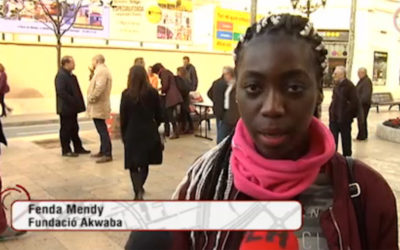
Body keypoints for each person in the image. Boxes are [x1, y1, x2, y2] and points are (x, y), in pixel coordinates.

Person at [127, 14, 398, 250]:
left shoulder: (366, 194)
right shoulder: (201, 186)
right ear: (238, 94)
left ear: (318, 93)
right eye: (254, 88)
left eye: (293, 88)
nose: (272, 108)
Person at [120, 66, 163, 200]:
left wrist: (124, 134)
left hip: (132, 132)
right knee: (145, 163)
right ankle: (140, 187)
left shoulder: (126, 94)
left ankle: (137, 189)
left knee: (132, 164)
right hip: (148, 132)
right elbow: (160, 115)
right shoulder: (152, 93)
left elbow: (123, 117)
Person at [55, 56, 90, 157]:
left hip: (73, 108)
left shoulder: (71, 76)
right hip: (66, 108)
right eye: (72, 63)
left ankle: (78, 147)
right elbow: (61, 92)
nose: (74, 65)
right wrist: (72, 100)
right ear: (66, 63)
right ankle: (66, 150)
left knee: (74, 128)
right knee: (66, 129)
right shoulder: (61, 76)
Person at [87, 54, 113, 163]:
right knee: (101, 129)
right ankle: (103, 150)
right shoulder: (101, 70)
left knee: (102, 129)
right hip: (99, 105)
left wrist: (91, 98)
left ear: (96, 61)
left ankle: (107, 153)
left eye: (93, 61)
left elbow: (99, 87)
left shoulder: (101, 71)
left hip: (99, 105)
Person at [329, 66, 359, 157]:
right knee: (333, 140)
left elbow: (354, 102)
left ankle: (347, 158)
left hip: (344, 119)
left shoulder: (349, 86)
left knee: (346, 139)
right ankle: (333, 156)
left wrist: (347, 114)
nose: (333, 75)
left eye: (336, 74)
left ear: (342, 74)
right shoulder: (336, 85)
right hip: (334, 118)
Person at [152, 63, 183, 139]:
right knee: (172, 114)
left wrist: (160, 90)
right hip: (175, 95)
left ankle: (175, 132)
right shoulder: (167, 71)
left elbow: (165, 85)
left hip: (171, 97)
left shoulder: (163, 73)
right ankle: (174, 131)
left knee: (170, 115)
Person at [219, 66, 239, 143]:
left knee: (222, 139)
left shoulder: (236, 85)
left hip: (233, 116)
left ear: (230, 74)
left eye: (225, 74)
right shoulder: (229, 85)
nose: (224, 76)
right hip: (227, 114)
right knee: (222, 140)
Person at [207, 68, 228, 143]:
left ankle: (219, 145)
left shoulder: (216, 82)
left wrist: (215, 101)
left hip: (216, 108)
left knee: (219, 128)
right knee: (223, 130)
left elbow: (209, 93)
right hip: (225, 110)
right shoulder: (228, 84)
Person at [355, 67, 373, 141]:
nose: (358, 75)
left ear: (363, 73)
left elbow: (366, 94)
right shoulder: (362, 81)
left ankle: (362, 136)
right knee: (362, 120)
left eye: (359, 73)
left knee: (362, 120)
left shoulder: (366, 81)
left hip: (363, 105)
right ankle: (362, 135)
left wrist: (359, 101)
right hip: (361, 104)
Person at [176, 67, 194, 134]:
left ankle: (185, 128)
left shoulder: (183, 80)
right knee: (186, 113)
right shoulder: (187, 80)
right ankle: (189, 128)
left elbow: (184, 89)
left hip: (184, 99)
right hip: (185, 99)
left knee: (184, 114)